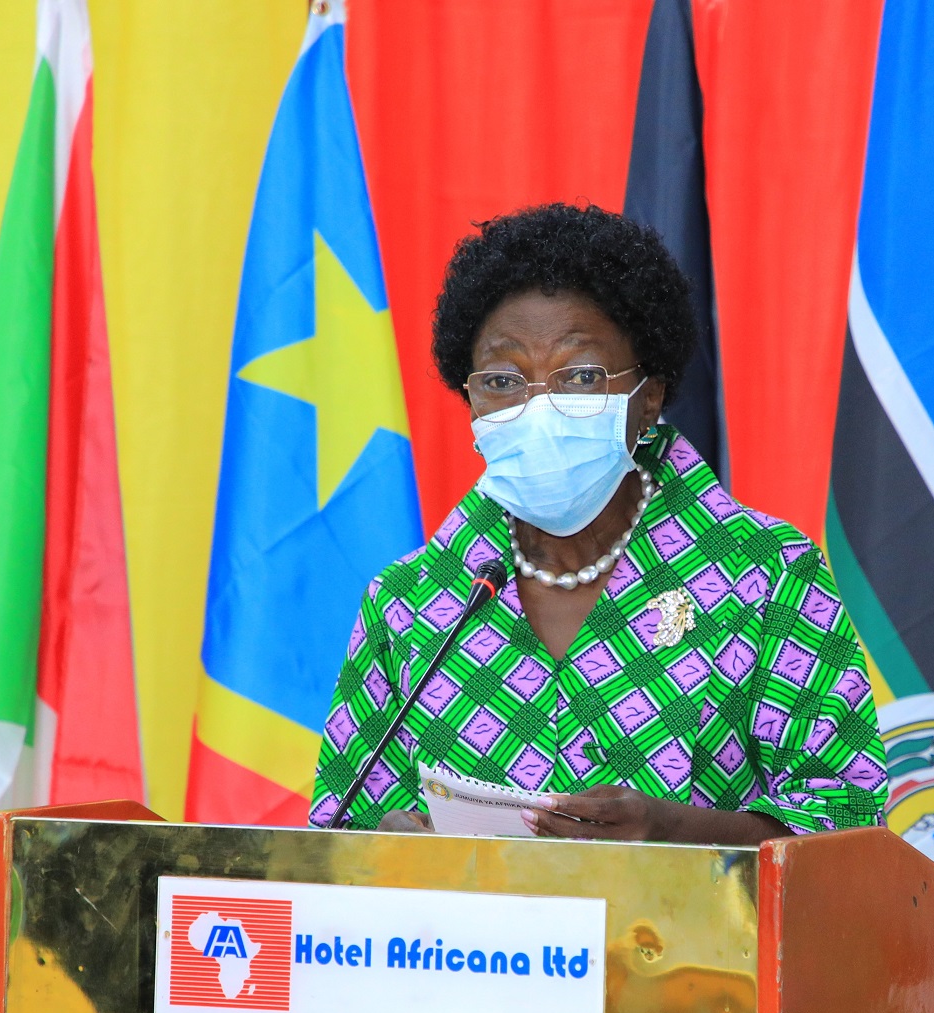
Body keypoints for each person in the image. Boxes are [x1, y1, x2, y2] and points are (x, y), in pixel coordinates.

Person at [308, 203, 887, 843]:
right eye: (503, 379)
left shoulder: (768, 576)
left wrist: (671, 830)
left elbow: (850, 831)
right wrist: (389, 845)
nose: (538, 408)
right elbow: (335, 835)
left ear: (652, 392)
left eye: (581, 375)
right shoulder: (410, 602)